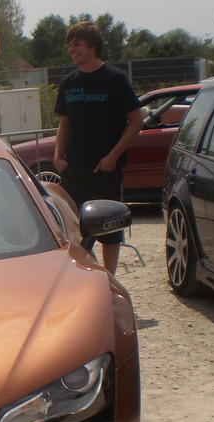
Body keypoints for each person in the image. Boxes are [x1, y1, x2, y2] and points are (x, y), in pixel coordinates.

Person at [52, 21, 142, 275]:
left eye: (77, 44)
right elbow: (65, 124)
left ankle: (109, 279)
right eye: (70, 45)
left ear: (93, 46)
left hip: (106, 169)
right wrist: (58, 157)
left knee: (109, 231)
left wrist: (113, 155)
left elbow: (137, 121)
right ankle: (83, 276)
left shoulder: (115, 79)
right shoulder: (68, 82)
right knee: (73, 228)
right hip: (74, 168)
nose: (71, 49)